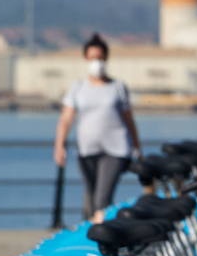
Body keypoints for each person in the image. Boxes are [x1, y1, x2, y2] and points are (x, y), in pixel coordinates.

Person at [53, 33, 141, 223]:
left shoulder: (117, 87)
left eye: (100, 58)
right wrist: (59, 145)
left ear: (106, 59)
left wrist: (136, 146)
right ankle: (90, 237)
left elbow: (129, 119)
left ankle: (103, 238)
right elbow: (66, 119)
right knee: (90, 200)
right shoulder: (77, 87)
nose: (97, 62)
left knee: (102, 198)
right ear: (86, 59)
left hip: (115, 149)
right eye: (92, 58)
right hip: (87, 150)